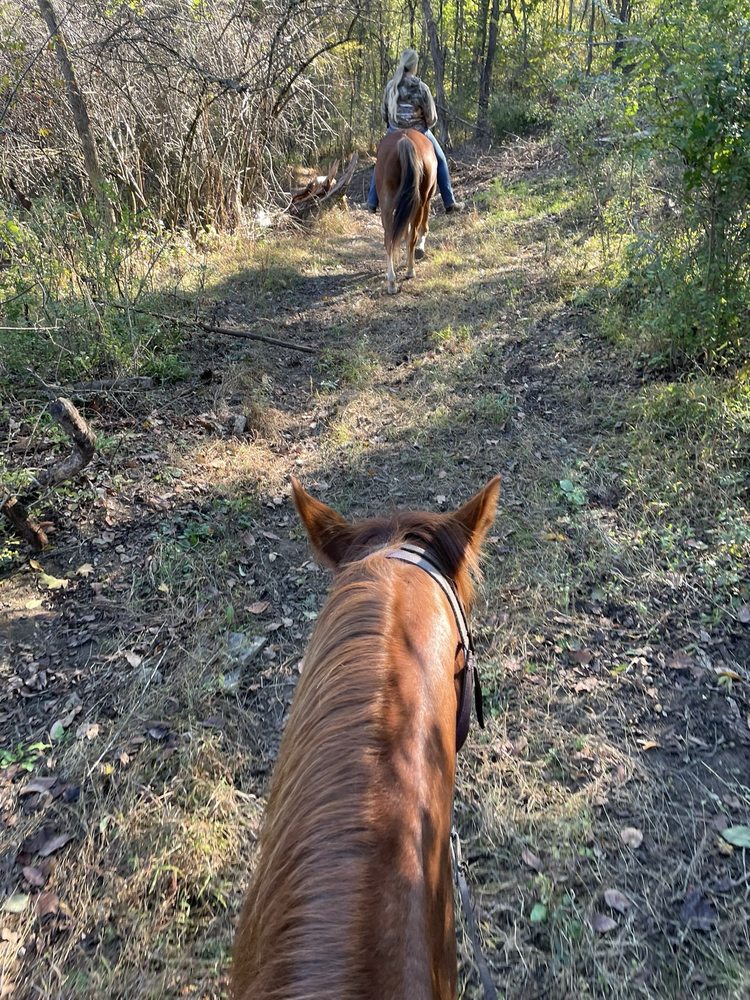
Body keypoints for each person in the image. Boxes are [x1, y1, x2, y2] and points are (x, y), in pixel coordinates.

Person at [367, 49, 463, 215]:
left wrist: (393, 126)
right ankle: (449, 203)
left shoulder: (391, 86)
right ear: (414, 66)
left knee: (381, 162)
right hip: (419, 131)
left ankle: (372, 201)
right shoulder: (421, 87)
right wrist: (423, 124)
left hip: (394, 130)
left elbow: (384, 113)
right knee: (440, 160)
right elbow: (431, 118)